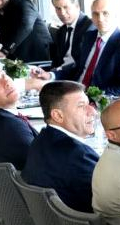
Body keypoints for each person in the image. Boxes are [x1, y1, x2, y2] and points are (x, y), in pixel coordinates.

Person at [21, 81, 99, 212]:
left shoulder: (41, 139)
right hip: (80, 223)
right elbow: (107, 203)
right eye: (81, 106)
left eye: (89, 104)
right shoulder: (79, 155)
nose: (93, 111)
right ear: (57, 115)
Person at [34, 0, 120, 96]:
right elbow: (77, 68)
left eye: (105, 13)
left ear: (115, 15)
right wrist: (51, 75)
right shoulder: (89, 36)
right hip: (74, 90)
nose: (100, 19)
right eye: (95, 14)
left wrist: (91, 96)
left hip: (98, 99)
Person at [48, 0, 95, 69]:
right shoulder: (61, 31)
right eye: (58, 8)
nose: (62, 13)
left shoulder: (90, 28)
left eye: (66, 7)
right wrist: (49, 73)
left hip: (75, 74)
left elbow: (82, 64)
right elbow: (56, 61)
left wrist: (57, 72)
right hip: (59, 73)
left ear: (77, 7)